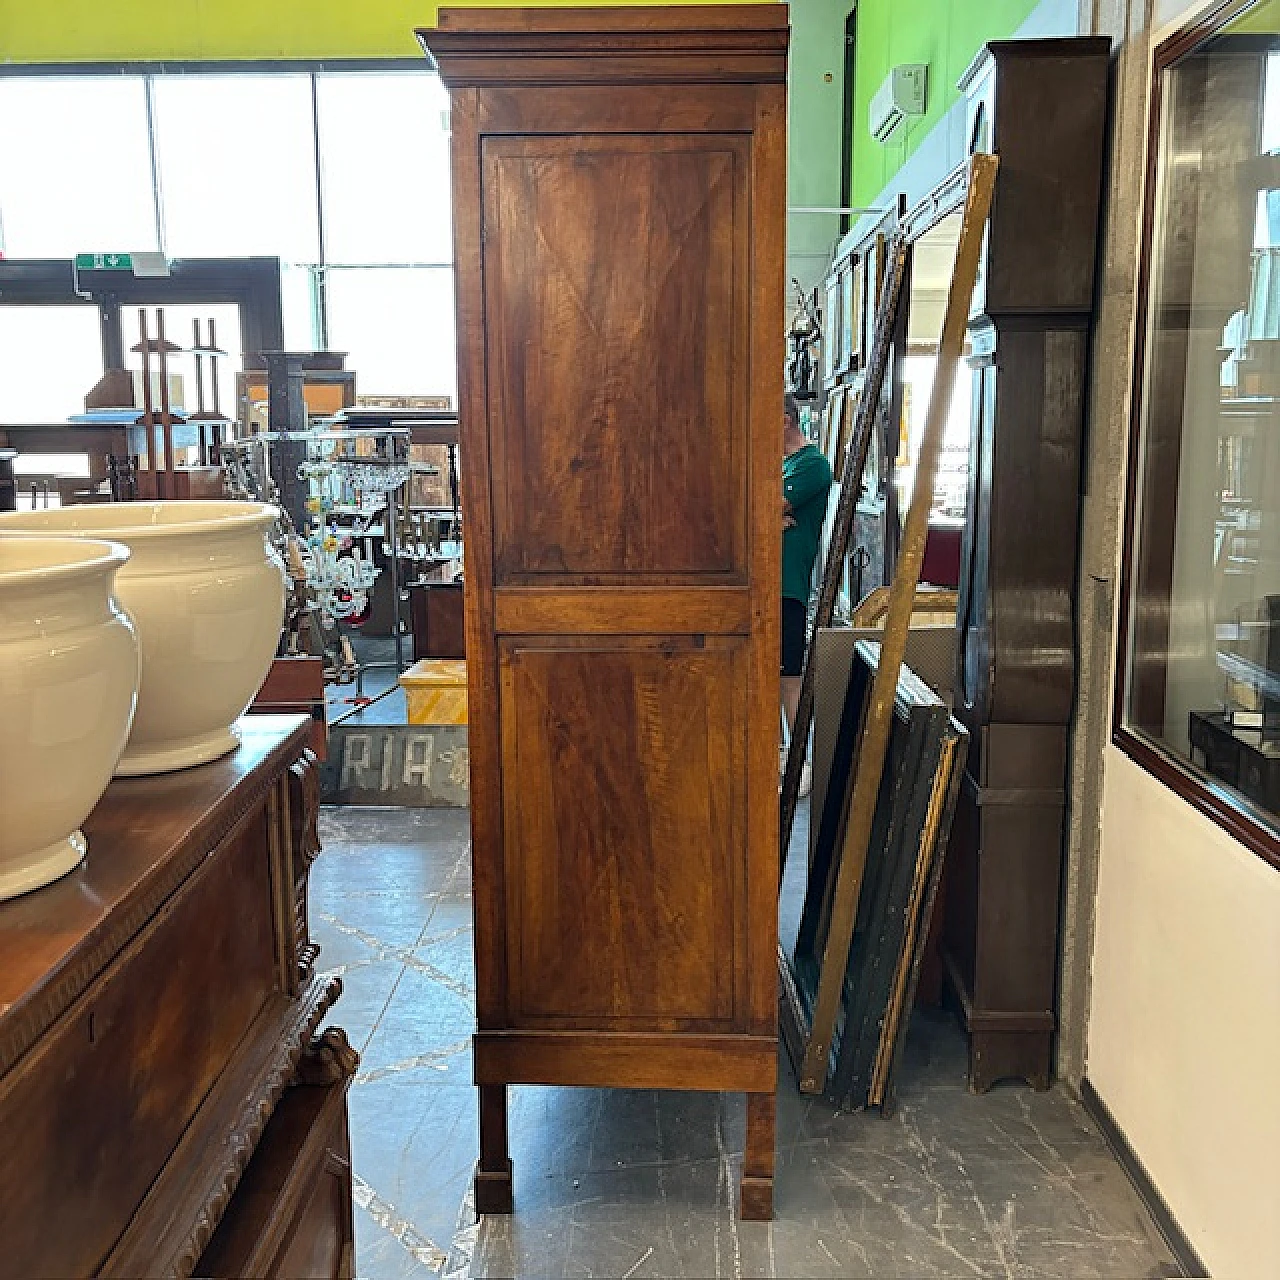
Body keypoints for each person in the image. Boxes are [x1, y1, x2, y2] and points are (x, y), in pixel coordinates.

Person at [781, 391, 833, 796]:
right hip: (768, 585)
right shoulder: (780, 464)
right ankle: (782, 754)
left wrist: (771, 512)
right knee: (772, 676)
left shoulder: (812, 464)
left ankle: (800, 762)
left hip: (788, 586)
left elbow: (768, 502)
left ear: (784, 419)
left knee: (789, 677)